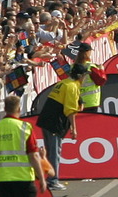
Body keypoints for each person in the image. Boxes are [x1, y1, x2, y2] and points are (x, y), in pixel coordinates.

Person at [35, 63, 88, 191]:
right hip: (55, 123)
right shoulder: (72, 86)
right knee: (54, 152)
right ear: (80, 76)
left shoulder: (64, 83)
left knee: (50, 151)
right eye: (85, 75)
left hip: (46, 120)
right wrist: (74, 128)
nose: (86, 78)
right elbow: (70, 110)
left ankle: (49, 178)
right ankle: (53, 180)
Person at [0, 95, 46, 197]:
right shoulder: (24, 128)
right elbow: (33, 155)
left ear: (4, 109)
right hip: (23, 178)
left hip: (2, 179)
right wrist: (42, 179)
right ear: (19, 109)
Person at [74, 43, 107, 113]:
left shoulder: (73, 67)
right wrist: (101, 70)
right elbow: (101, 81)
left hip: (77, 101)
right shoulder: (90, 67)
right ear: (88, 52)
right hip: (91, 102)